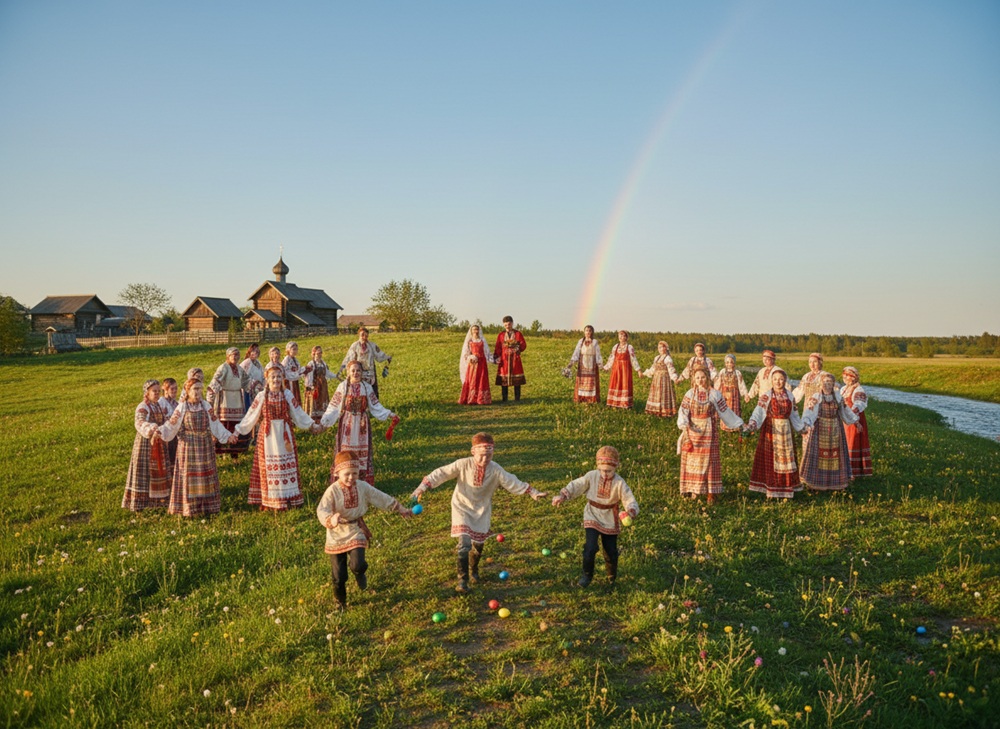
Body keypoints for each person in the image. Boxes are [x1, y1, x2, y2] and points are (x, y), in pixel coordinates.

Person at [411, 432, 546, 594]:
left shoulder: (495, 469)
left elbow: (512, 481)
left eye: (488, 456)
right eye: (481, 455)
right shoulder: (463, 464)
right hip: (461, 507)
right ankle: (463, 581)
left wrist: (532, 492)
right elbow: (442, 473)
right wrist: (423, 487)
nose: (484, 460)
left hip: (482, 510)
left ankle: (473, 569)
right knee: (464, 544)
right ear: (473, 451)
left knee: (478, 545)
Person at [317, 451, 412, 610]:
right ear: (337, 473)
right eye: (346, 474)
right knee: (339, 576)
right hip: (336, 534)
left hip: (356, 529)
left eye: (354, 473)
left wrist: (400, 508)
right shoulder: (332, 491)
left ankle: (360, 573)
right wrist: (331, 519)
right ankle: (340, 603)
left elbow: (379, 497)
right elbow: (322, 509)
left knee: (358, 564)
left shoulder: (362, 486)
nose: (351, 477)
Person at [234, 363, 320, 510]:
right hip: (268, 435)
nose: (276, 379)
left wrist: (312, 425)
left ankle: (288, 497)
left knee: (285, 464)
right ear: (267, 379)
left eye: (279, 376)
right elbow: (251, 415)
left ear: (283, 378)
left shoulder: (287, 394)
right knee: (269, 466)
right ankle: (271, 500)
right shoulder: (261, 396)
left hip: (284, 433)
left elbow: (297, 412)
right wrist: (237, 431)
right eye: (273, 377)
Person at [552, 446, 638, 587]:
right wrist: (563, 495)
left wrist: (630, 510)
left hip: (610, 517)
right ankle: (587, 575)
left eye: (609, 471)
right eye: (602, 470)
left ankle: (611, 576)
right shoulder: (592, 476)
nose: (605, 474)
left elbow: (629, 498)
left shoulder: (619, 482)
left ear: (616, 467)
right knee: (590, 547)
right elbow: (577, 485)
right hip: (592, 514)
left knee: (610, 551)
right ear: (598, 467)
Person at [159, 378, 237, 517]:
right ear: (188, 391)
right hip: (188, 445)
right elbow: (172, 424)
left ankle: (207, 506)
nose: (198, 392)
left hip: (204, 445)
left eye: (200, 388)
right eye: (195, 389)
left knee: (205, 475)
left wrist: (228, 435)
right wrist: (158, 432)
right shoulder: (182, 407)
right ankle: (189, 508)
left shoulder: (206, 405)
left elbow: (215, 423)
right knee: (189, 476)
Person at [319, 361, 399, 486]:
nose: (356, 373)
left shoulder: (366, 387)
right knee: (346, 450)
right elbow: (334, 405)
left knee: (363, 451)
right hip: (347, 423)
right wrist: (324, 421)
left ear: (362, 373)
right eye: (353, 371)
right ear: (348, 372)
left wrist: (389, 414)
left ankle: (362, 482)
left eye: (358, 371)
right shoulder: (343, 386)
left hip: (362, 424)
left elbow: (375, 405)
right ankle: (343, 479)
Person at [676, 366, 745, 504]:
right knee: (692, 461)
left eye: (702, 377)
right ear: (694, 380)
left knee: (710, 462)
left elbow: (725, 412)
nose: (700, 380)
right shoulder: (690, 394)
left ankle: (710, 492)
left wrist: (739, 424)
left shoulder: (715, 394)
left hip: (709, 431)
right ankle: (694, 489)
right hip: (693, 432)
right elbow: (683, 412)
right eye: (697, 378)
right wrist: (684, 427)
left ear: (707, 378)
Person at [745, 368, 807, 499]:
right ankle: (772, 489)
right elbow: (759, 412)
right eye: (775, 379)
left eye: (780, 379)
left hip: (786, 431)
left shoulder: (790, 396)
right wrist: (752, 424)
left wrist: (801, 428)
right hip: (771, 430)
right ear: (771, 381)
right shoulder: (767, 395)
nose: (778, 382)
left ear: (785, 380)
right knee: (772, 459)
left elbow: (794, 415)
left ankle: (787, 488)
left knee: (786, 460)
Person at [799, 372, 859, 491]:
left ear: (833, 384)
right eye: (825, 382)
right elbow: (809, 411)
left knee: (836, 455)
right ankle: (815, 483)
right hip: (820, 428)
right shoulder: (816, 397)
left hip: (836, 428)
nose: (827, 384)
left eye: (829, 382)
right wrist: (806, 424)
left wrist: (855, 421)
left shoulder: (838, 397)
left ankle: (836, 483)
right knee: (818, 454)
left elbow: (845, 411)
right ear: (821, 384)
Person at [122, 379, 172, 511]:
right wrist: (151, 428)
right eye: (153, 391)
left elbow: (167, 420)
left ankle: (159, 501)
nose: (156, 394)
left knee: (159, 470)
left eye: (158, 391)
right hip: (145, 443)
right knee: (145, 472)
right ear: (147, 393)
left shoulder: (158, 406)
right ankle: (141, 503)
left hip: (159, 442)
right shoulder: (143, 406)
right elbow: (139, 422)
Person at [206, 347, 254, 458]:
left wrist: (256, 386)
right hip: (225, 400)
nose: (236, 357)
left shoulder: (239, 368)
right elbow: (215, 381)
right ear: (228, 356)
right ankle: (222, 453)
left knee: (236, 426)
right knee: (225, 425)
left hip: (237, 399)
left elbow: (246, 381)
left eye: (238, 355)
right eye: (233, 355)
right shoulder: (223, 368)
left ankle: (235, 453)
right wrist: (210, 399)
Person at [338, 327, 392, 399]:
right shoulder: (355, 346)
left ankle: (372, 406)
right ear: (359, 335)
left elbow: (379, 354)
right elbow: (349, 358)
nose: (364, 337)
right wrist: (343, 368)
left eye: (366, 335)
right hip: (358, 372)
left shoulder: (372, 345)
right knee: (359, 390)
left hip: (370, 371)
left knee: (371, 390)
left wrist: (387, 357)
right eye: (362, 335)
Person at [840, 366, 873, 477]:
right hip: (845, 420)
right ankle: (844, 470)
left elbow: (859, 404)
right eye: (844, 376)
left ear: (853, 378)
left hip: (855, 420)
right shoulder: (844, 389)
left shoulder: (859, 390)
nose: (845, 378)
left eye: (848, 376)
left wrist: (851, 416)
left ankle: (854, 472)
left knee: (852, 442)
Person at [603, 330, 642, 409]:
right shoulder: (615, 346)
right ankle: (614, 402)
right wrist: (606, 367)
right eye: (620, 335)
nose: (621, 337)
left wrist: (638, 370)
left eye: (623, 336)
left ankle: (624, 403)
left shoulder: (629, 347)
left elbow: (633, 359)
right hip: (616, 369)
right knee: (615, 383)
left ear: (626, 338)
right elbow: (611, 358)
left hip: (625, 370)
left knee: (624, 384)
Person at [494, 316, 527, 402]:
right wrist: (496, 357)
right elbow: (498, 347)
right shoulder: (501, 335)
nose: (507, 326)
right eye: (506, 325)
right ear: (503, 325)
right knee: (504, 379)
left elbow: (523, 344)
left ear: (512, 323)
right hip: (504, 359)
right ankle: (504, 399)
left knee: (516, 379)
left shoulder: (517, 334)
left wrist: (518, 346)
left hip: (515, 358)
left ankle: (517, 398)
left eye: (509, 324)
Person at [567, 325, 603, 403]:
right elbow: (576, 352)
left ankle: (591, 399)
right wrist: (571, 363)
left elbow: (598, 354)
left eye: (590, 331)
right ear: (584, 332)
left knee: (591, 382)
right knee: (582, 382)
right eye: (586, 330)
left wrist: (600, 364)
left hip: (592, 365)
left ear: (592, 332)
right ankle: (581, 399)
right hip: (582, 364)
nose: (588, 332)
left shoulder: (595, 342)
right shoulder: (580, 341)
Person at [459, 325, 494, 405]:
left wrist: (492, 359)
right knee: (473, 379)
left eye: (477, 329)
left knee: (482, 378)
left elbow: (487, 351)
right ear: (471, 331)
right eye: (474, 329)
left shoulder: (482, 340)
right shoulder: (469, 341)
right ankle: (472, 398)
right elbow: (466, 353)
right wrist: (470, 357)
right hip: (473, 363)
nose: (476, 331)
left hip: (482, 362)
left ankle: (482, 398)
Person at [713, 354, 749, 431]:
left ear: (734, 363)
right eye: (727, 362)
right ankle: (725, 426)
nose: (729, 364)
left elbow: (741, 384)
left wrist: (745, 394)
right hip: (724, 394)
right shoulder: (722, 371)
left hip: (734, 395)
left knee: (734, 410)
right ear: (725, 363)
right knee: (725, 409)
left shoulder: (737, 372)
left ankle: (735, 426)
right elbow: (718, 382)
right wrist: (714, 392)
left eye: (731, 362)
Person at [643, 340, 679, 417]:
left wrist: (675, 378)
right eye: (659, 348)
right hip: (656, 379)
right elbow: (653, 368)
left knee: (663, 395)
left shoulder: (668, 358)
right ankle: (655, 410)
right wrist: (646, 373)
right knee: (656, 394)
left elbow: (671, 369)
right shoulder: (656, 358)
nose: (661, 349)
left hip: (664, 379)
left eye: (662, 347)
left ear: (666, 348)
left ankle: (664, 411)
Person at [304, 345, 332, 422]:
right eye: (318, 353)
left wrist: (336, 376)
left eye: (321, 353)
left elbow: (327, 373)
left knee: (322, 399)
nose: (319, 355)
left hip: (323, 385)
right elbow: (309, 376)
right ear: (314, 354)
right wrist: (310, 386)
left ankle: (322, 417)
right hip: (315, 385)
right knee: (315, 400)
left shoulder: (323, 363)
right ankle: (313, 418)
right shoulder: (311, 364)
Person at [158, 377, 180, 464]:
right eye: (172, 388)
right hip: (165, 434)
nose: (175, 391)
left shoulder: (176, 403)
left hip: (175, 433)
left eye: (176, 388)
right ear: (166, 390)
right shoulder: (160, 403)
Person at [282, 341, 309, 407]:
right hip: (289, 382)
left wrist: (304, 370)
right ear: (288, 350)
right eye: (293, 349)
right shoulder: (286, 360)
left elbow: (298, 370)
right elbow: (286, 373)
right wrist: (299, 373)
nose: (295, 351)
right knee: (290, 398)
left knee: (296, 397)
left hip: (295, 382)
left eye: (296, 349)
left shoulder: (295, 360)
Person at [239, 343, 265, 412]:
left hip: (258, 390)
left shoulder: (258, 363)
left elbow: (263, 375)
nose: (255, 353)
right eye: (253, 351)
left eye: (257, 351)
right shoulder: (247, 363)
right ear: (249, 352)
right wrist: (253, 384)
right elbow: (242, 377)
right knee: (249, 409)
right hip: (248, 391)